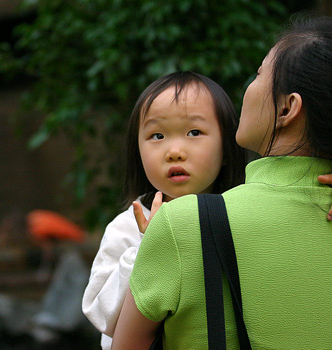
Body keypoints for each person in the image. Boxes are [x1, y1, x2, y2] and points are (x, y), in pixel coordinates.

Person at [112, 16, 332, 349]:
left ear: (287, 108)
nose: (175, 151)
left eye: (259, 74)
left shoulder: (181, 224)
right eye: (157, 135)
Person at [82, 71, 247, 350]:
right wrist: (150, 246)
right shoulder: (126, 228)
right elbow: (102, 315)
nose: (174, 151)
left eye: (194, 132)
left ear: (227, 144)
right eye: (157, 135)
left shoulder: (241, 214)